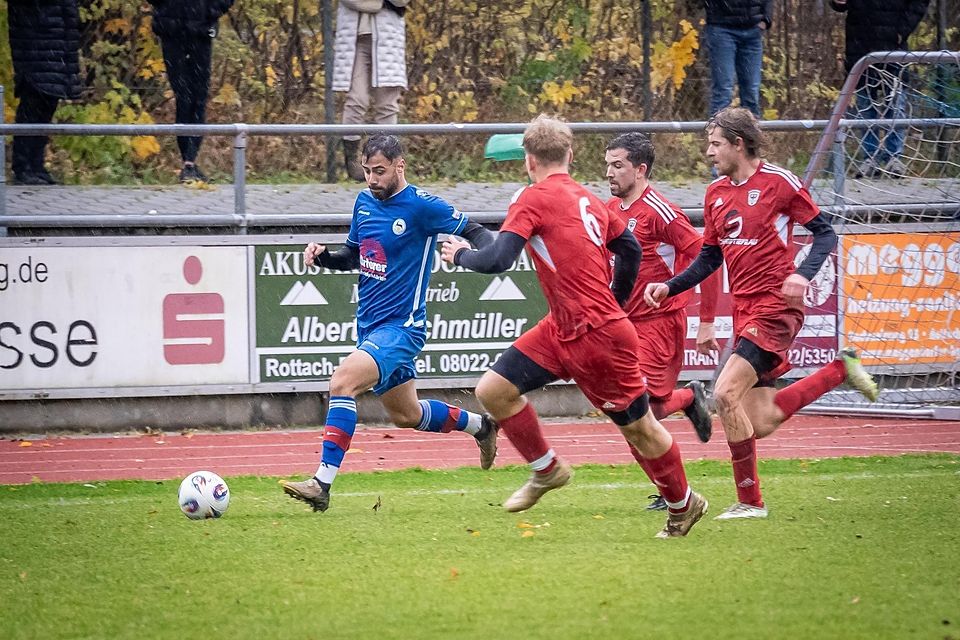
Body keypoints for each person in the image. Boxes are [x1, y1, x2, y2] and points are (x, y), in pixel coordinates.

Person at [442, 115, 708, 539]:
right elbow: (629, 247)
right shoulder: (587, 197)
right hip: (564, 327)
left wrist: (458, 256)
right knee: (493, 390)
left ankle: (683, 505)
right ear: (570, 155)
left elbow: (498, 260)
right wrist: (617, 299)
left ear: (529, 160)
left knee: (640, 428)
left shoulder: (531, 197)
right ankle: (547, 469)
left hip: (598, 335)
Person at [644, 107, 880, 520]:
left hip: (775, 307)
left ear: (738, 144)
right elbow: (709, 258)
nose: (708, 151)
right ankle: (839, 370)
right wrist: (671, 286)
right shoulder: (715, 193)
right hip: (744, 310)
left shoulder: (778, 183)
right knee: (763, 419)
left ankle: (750, 503)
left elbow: (825, 233)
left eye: (715, 143)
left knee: (724, 394)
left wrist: (802, 275)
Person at [281, 134, 499, 513]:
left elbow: (477, 232)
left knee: (342, 382)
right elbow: (355, 255)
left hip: (402, 328)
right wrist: (325, 257)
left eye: (379, 171)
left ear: (400, 166)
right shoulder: (364, 202)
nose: (372, 179)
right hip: (370, 327)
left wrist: (479, 254)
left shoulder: (422, 206)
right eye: (366, 171)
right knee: (406, 415)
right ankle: (482, 427)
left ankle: (321, 484)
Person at [604, 132, 722, 511]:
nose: (609, 172)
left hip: (659, 324)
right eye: (607, 165)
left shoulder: (661, 212)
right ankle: (687, 399)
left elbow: (708, 258)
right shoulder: (611, 209)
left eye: (618, 165)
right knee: (636, 414)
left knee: (636, 415)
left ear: (640, 170)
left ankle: (674, 493)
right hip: (625, 325)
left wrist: (707, 321)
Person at [830, 0, 931, 178]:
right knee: (865, 104)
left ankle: (894, 157)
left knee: (895, 102)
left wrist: (903, 29)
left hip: (893, 41)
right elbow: (840, 4)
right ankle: (870, 157)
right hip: (860, 41)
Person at [148, 0, 234, 184]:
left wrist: (210, 11)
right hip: (172, 28)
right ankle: (188, 163)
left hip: (199, 30)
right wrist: (165, 7)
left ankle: (190, 161)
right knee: (184, 97)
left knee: (198, 97)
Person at [332, 0, 409, 182]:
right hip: (354, 39)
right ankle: (352, 162)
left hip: (389, 39)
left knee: (387, 105)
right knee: (356, 100)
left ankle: (388, 162)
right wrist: (378, 4)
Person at [7, 0, 81, 185]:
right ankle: (23, 167)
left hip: (56, 50)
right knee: (32, 108)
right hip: (36, 50)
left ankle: (36, 164)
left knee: (46, 109)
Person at [703, 0, 771, 118]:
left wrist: (766, 19)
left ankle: (750, 129)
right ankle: (719, 129)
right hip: (721, 28)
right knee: (723, 90)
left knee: (751, 92)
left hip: (753, 30)